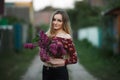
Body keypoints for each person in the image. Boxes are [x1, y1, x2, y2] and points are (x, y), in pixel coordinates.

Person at [40, 9, 78, 80]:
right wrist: (44, 57)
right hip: (46, 70)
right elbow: (42, 56)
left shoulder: (66, 37)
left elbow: (74, 58)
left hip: (60, 72)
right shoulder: (46, 35)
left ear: (64, 22)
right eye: (54, 19)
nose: (55, 22)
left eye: (59, 20)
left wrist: (63, 61)